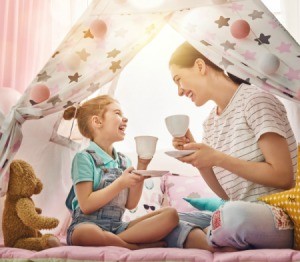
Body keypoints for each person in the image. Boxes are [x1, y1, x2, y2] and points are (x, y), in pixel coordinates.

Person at [166, 41, 298, 251]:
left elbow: (283, 176)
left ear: (200, 66)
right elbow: (228, 195)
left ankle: (204, 238)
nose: (180, 92)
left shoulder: (255, 101)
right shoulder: (210, 123)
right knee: (166, 219)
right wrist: (199, 160)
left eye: (178, 80)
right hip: (240, 211)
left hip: (279, 214)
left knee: (232, 216)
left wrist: (218, 158)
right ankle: (215, 239)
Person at [64, 95, 179, 249]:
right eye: (117, 113)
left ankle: (117, 242)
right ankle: (133, 246)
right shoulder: (84, 158)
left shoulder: (125, 162)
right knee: (88, 233)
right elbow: (86, 205)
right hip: (86, 224)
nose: (125, 119)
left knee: (170, 215)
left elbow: (131, 204)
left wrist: (142, 166)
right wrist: (120, 183)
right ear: (97, 121)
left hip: (117, 228)